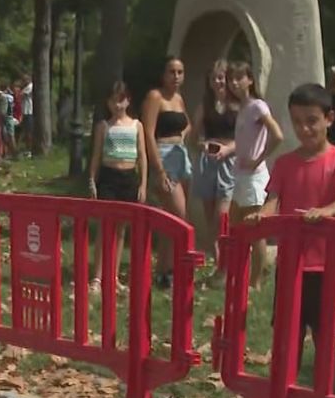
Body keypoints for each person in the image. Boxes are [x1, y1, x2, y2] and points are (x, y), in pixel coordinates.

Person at [236, 83, 335, 398]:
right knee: (287, 341)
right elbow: (273, 201)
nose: (304, 129)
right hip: (291, 269)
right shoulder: (286, 163)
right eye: (297, 122)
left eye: (312, 121)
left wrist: (325, 212)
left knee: (325, 342)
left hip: (325, 269)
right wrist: (263, 215)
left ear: (329, 120)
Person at [227, 60, 283, 289]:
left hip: (254, 177)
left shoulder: (258, 106)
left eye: (239, 78)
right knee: (236, 225)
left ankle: (257, 281)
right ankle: (239, 275)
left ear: (250, 79)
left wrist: (258, 159)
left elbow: (277, 134)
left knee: (255, 228)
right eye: (231, 79)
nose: (234, 83)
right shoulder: (241, 108)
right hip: (239, 175)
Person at [87, 80, 146, 292]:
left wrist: (143, 184)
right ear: (108, 103)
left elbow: (142, 156)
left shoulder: (136, 125)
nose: (117, 105)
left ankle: (113, 276)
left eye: (121, 100)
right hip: (109, 178)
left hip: (129, 178)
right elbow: (95, 156)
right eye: (113, 101)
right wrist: (92, 179)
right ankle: (97, 278)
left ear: (128, 101)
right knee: (105, 227)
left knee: (121, 229)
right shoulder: (104, 126)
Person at [141, 56, 192, 288]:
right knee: (179, 215)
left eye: (180, 72)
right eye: (172, 72)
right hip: (163, 155)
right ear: (163, 74)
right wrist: (158, 169)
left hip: (181, 155)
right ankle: (171, 268)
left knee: (173, 218)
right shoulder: (155, 97)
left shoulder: (179, 99)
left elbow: (187, 123)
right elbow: (148, 133)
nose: (176, 77)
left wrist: (184, 135)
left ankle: (163, 271)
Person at [189, 60, 237, 266]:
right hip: (208, 161)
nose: (219, 82)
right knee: (210, 217)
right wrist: (203, 146)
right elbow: (192, 137)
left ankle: (226, 262)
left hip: (230, 161)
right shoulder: (205, 106)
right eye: (215, 78)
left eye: (223, 77)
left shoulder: (237, 106)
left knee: (222, 216)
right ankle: (219, 262)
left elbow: (245, 138)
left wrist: (228, 149)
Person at [20, 74, 35, 153]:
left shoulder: (30, 86)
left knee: (29, 131)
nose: (23, 81)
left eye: (24, 80)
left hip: (29, 111)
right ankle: (27, 148)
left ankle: (30, 149)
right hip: (24, 111)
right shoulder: (25, 87)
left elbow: (22, 95)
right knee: (26, 131)